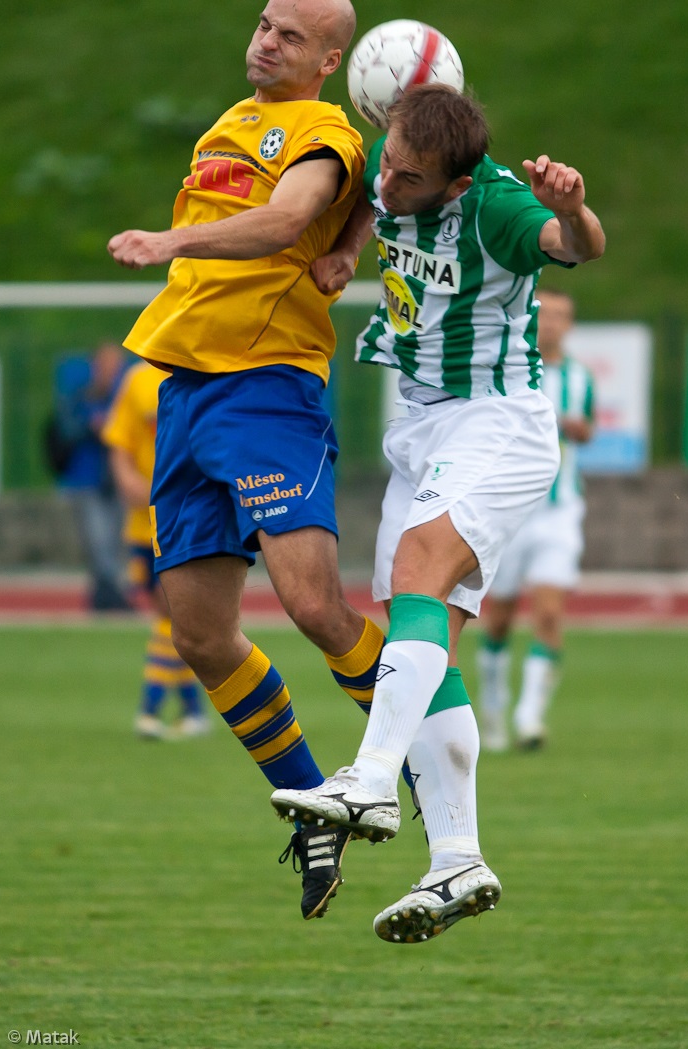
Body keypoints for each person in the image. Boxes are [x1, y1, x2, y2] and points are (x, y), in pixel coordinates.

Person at [270, 84, 605, 942]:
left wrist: (574, 213)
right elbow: (363, 202)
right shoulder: (394, 170)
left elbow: (571, 244)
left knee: (418, 569)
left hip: (497, 420)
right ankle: (457, 857)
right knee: (426, 629)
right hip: (422, 425)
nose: (389, 184)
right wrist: (348, 248)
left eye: (410, 178)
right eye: (390, 161)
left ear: (454, 185)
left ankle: (372, 777)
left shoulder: (491, 203)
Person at [106, 0, 388, 920]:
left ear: (329, 59)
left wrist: (172, 239)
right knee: (197, 633)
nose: (266, 40)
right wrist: (351, 244)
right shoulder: (228, 123)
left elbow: (286, 219)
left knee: (312, 604)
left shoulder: (326, 131)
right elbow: (350, 218)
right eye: (265, 23)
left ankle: (421, 762)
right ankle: (316, 807)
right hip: (185, 389)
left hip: (267, 385)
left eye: (290, 35)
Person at [477, 287, 595, 750]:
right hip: (510, 512)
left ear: (571, 323)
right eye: (544, 314)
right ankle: (493, 708)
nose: (552, 323)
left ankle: (529, 717)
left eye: (562, 315)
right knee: (500, 619)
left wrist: (576, 427)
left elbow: (586, 428)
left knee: (548, 613)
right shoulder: (508, 369)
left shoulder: (581, 377)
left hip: (560, 513)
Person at [102, 360, 212, 741]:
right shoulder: (137, 379)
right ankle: (193, 713)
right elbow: (119, 441)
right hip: (142, 523)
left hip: (186, 516)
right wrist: (129, 481)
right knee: (172, 619)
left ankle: (149, 711)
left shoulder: (209, 371)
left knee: (172, 615)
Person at [47, 342, 131, 611]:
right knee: (98, 540)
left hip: (116, 480)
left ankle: (104, 596)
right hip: (87, 480)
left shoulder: (124, 400)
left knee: (116, 539)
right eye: (106, 365)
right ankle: (110, 596)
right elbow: (64, 430)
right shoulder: (79, 399)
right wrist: (90, 427)